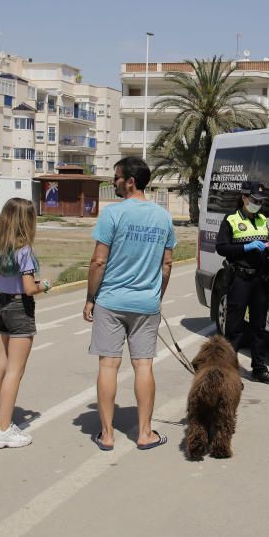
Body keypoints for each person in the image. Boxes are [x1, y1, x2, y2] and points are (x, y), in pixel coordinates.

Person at [83, 156, 175, 451]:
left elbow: (99, 260)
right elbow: (167, 265)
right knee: (144, 365)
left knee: (108, 365)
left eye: (117, 177)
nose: (114, 181)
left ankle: (107, 434)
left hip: (111, 301)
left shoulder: (113, 215)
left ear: (130, 181)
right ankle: (145, 433)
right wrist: (156, 297)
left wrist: (90, 298)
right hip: (146, 304)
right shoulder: (163, 217)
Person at [0, 197, 51, 449]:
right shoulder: (24, 251)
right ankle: (5, 429)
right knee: (14, 371)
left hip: (1, 305)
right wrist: (46, 285)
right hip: (20, 307)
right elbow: (30, 288)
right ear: (26, 222)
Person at [216, 181, 269, 385]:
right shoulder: (231, 219)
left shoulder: (262, 219)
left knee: (259, 327)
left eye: (261, 201)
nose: (258, 204)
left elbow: (263, 247)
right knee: (234, 328)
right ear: (244, 198)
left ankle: (259, 368)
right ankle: (228, 373)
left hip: (260, 279)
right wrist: (245, 247)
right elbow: (221, 247)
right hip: (240, 278)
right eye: (254, 200)